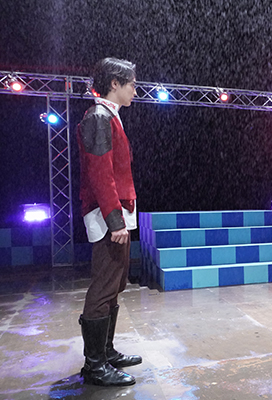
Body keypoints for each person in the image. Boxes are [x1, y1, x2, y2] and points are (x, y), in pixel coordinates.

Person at [76, 57, 141, 386]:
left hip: (116, 212)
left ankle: (105, 351)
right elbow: (100, 175)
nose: (135, 90)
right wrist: (115, 221)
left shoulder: (109, 116)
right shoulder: (99, 117)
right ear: (114, 84)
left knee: (115, 284)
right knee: (104, 286)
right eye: (131, 84)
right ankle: (95, 365)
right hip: (107, 216)